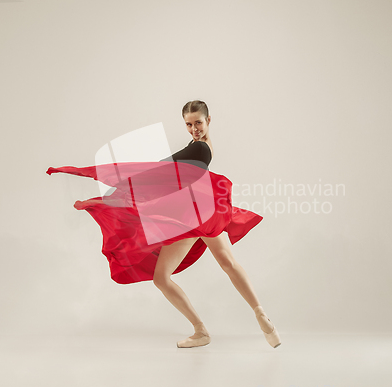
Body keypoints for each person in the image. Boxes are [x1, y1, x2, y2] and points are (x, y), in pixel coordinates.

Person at [46, 100, 280, 349]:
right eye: (189, 125)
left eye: (198, 123)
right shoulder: (197, 146)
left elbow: (163, 170)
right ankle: (261, 314)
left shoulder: (200, 150)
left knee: (161, 278)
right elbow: (171, 171)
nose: (194, 129)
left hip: (192, 216)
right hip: (208, 210)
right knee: (229, 263)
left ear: (209, 120)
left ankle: (201, 331)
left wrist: (122, 186)